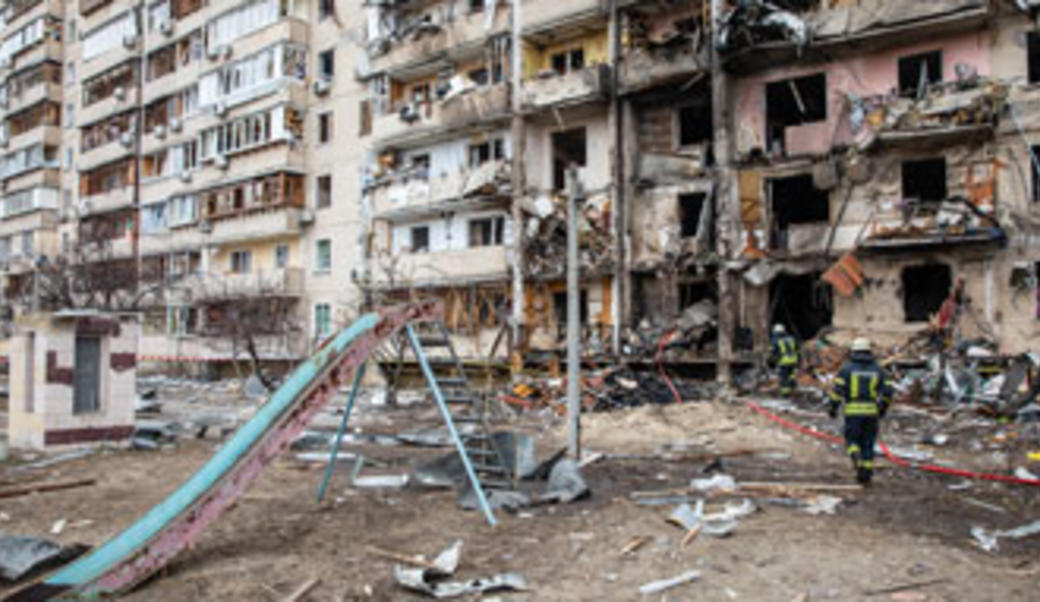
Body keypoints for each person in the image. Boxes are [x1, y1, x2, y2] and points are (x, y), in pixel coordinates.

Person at [828, 337, 893, 485]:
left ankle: (855, 456)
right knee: (868, 443)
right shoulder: (879, 370)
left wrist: (833, 407)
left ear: (853, 351)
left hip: (852, 412)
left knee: (852, 440)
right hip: (871, 413)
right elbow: (888, 392)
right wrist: (882, 408)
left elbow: (837, 391)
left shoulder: (846, 370)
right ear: (869, 351)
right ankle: (867, 472)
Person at [770, 324, 799, 397]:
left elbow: (774, 351)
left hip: (784, 361)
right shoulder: (791, 338)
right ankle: (792, 383)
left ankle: (785, 393)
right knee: (791, 373)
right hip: (793, 360)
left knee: (784, 377)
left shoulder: (777, 340)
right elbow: (797, 348)